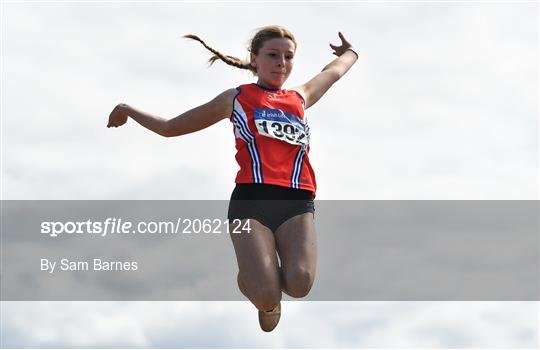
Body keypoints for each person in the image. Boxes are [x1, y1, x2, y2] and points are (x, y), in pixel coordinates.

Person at [107, 25, 358, 332]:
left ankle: (260, 276)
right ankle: (254, 284)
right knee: (267, 295)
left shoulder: (300, 98)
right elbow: (171, 126)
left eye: (288, 56)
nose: (281, 62)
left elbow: (335, 71)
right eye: (273, 55)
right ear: (254, 60)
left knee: (300, 284)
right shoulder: (237, 99)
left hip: (297, 202)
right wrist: (126, 109)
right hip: (251, 204)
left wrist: (349, 52)